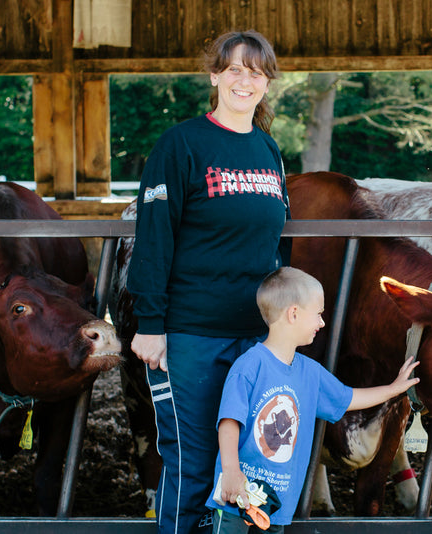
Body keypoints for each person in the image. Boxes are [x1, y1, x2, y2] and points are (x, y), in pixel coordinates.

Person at [127, 30, 289, 534]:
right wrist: (151, 323)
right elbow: (154, 240)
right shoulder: (181, 145)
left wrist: (280, 332)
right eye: (234, 69)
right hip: (191, 334)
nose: (245, 80)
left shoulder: (269, 150)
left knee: (247, 462)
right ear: (215, 76)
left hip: (254, 339)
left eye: (256, 72)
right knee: (193, 462)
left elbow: (275, 250)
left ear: (267, 83)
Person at [207, 267, 420, 534]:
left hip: (276, 505)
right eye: (318, 314)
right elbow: (229, 421)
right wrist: (231, 473)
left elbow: (348, 397)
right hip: (236, 498)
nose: (322, 322)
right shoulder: (249, 366)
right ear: (293, 314)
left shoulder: (310, 372)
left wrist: (392, 389)